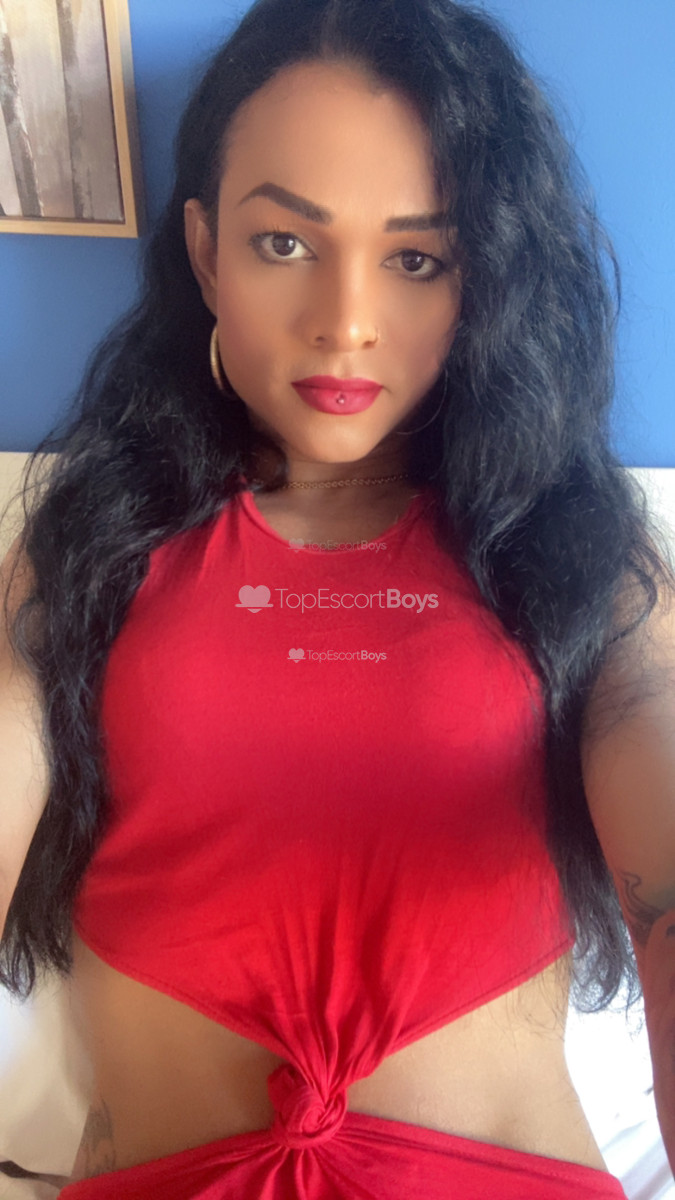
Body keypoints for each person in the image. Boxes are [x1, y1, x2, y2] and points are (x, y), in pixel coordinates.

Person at [1, 0, 674, 1196]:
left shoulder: (575, 553)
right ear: (204, 250)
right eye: (284, 243)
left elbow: (659, 757)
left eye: (417, 260)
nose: (347, 323)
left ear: (481, 279)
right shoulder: (85, 551)